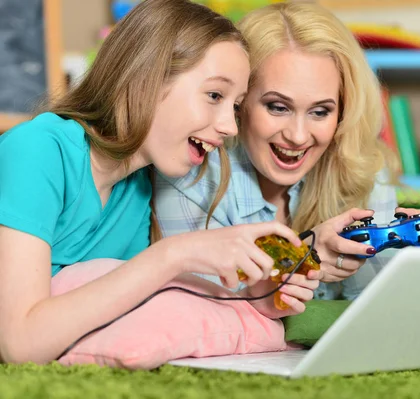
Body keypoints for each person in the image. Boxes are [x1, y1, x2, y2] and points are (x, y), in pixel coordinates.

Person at [0, 0, 320, 365]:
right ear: (145, 79)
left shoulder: (136, 188)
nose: (230, 127)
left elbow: (116, 308)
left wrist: (255, 298)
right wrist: (175, 253)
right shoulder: (37, 150)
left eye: (235, 106)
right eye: (214, 95)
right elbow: (19, 345)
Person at [154, 1, 420, 301]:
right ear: (240, 102)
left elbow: (377, 309)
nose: (298, 136)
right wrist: (303, 259)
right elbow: (199, 306)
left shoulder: (362, 169)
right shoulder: (190, 172)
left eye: (320, 112)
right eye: (277, 107)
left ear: (342, 112)